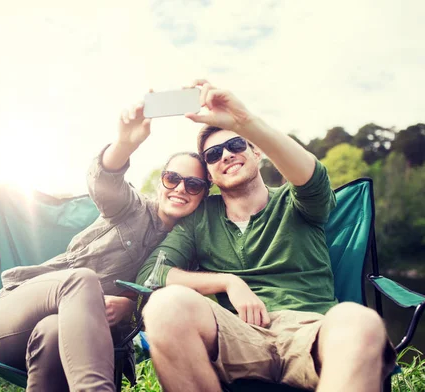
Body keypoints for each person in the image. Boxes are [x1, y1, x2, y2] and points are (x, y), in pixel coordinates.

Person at [136, 80, 396, 392]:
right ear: (209, 175)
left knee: (360, 322)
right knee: (164, 307)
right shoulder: (200, 218)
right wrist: (228, 282)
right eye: (213, 154)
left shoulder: (299, 201)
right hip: (235, 335)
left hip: (309, 330)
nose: (226, 156)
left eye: (236, 146)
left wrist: (246, 122)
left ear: (257, 151)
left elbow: (312, 175)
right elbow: (152, 273)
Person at [0, 101, 209, 392]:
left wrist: (131, 308)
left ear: (204, 195)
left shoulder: (188, 255)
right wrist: (125, 144)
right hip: (12, 321)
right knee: (82, 281)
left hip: (63, 342)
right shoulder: (132, 208)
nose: (180, 188)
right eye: (172, 179)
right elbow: (104, 180)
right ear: (160, 183)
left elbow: (172, 314)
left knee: (53, 331)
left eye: (193, 184)